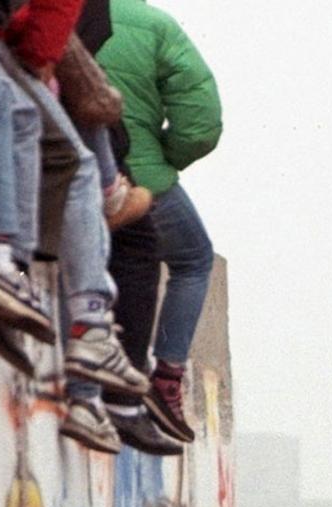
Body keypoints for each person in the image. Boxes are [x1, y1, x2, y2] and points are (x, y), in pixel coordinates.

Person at [96, 0, 223, 444]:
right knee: (193, 259)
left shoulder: (52, 9)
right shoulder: (155, 26)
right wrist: (161, 158)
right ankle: (166, 375)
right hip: (137, 174)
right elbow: (201, 124)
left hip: (56, 165)